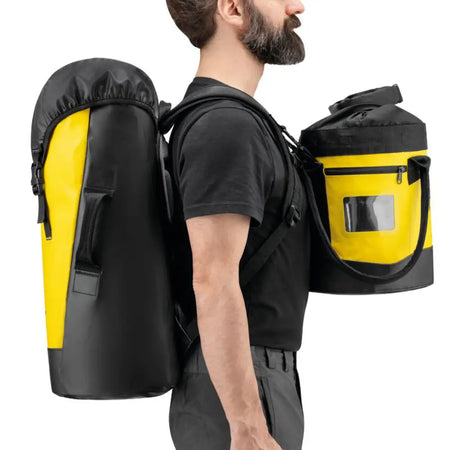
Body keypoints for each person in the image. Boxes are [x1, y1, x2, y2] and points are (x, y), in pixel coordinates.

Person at [165, 1, 309, 449]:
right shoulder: (226, 127)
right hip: (238, 388)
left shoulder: (230, 120)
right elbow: (212, 279)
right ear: (232, 8)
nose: (297, 6)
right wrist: (247, 426)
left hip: (246, 378)